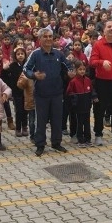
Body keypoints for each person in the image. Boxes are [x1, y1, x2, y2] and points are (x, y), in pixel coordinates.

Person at [23, 28, 74, 156]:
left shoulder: (58, 53)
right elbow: (26, 69)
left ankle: (56, 143)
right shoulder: (35, 54)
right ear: (40, 39)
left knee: (57, 119)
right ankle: (40, 144)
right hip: (41, 94)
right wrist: (34, 75)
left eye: (50, 36)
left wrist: (70, 72)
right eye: (45, 36)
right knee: (41, 121)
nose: (48, 39)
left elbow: (68, 65)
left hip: (57, 93)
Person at [65, 60, 96, 147]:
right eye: (80, 69)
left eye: (83, 69)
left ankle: (88, 139)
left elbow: (91, 90)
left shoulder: (88, 80)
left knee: (87, 123)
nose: (82, 71)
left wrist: (94, 97)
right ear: (76, 70)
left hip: (87, 106)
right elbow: (69, 93)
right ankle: (80, 140)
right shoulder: (73, 82)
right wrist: (74, 101)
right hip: (78, 107)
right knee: (79, 123)